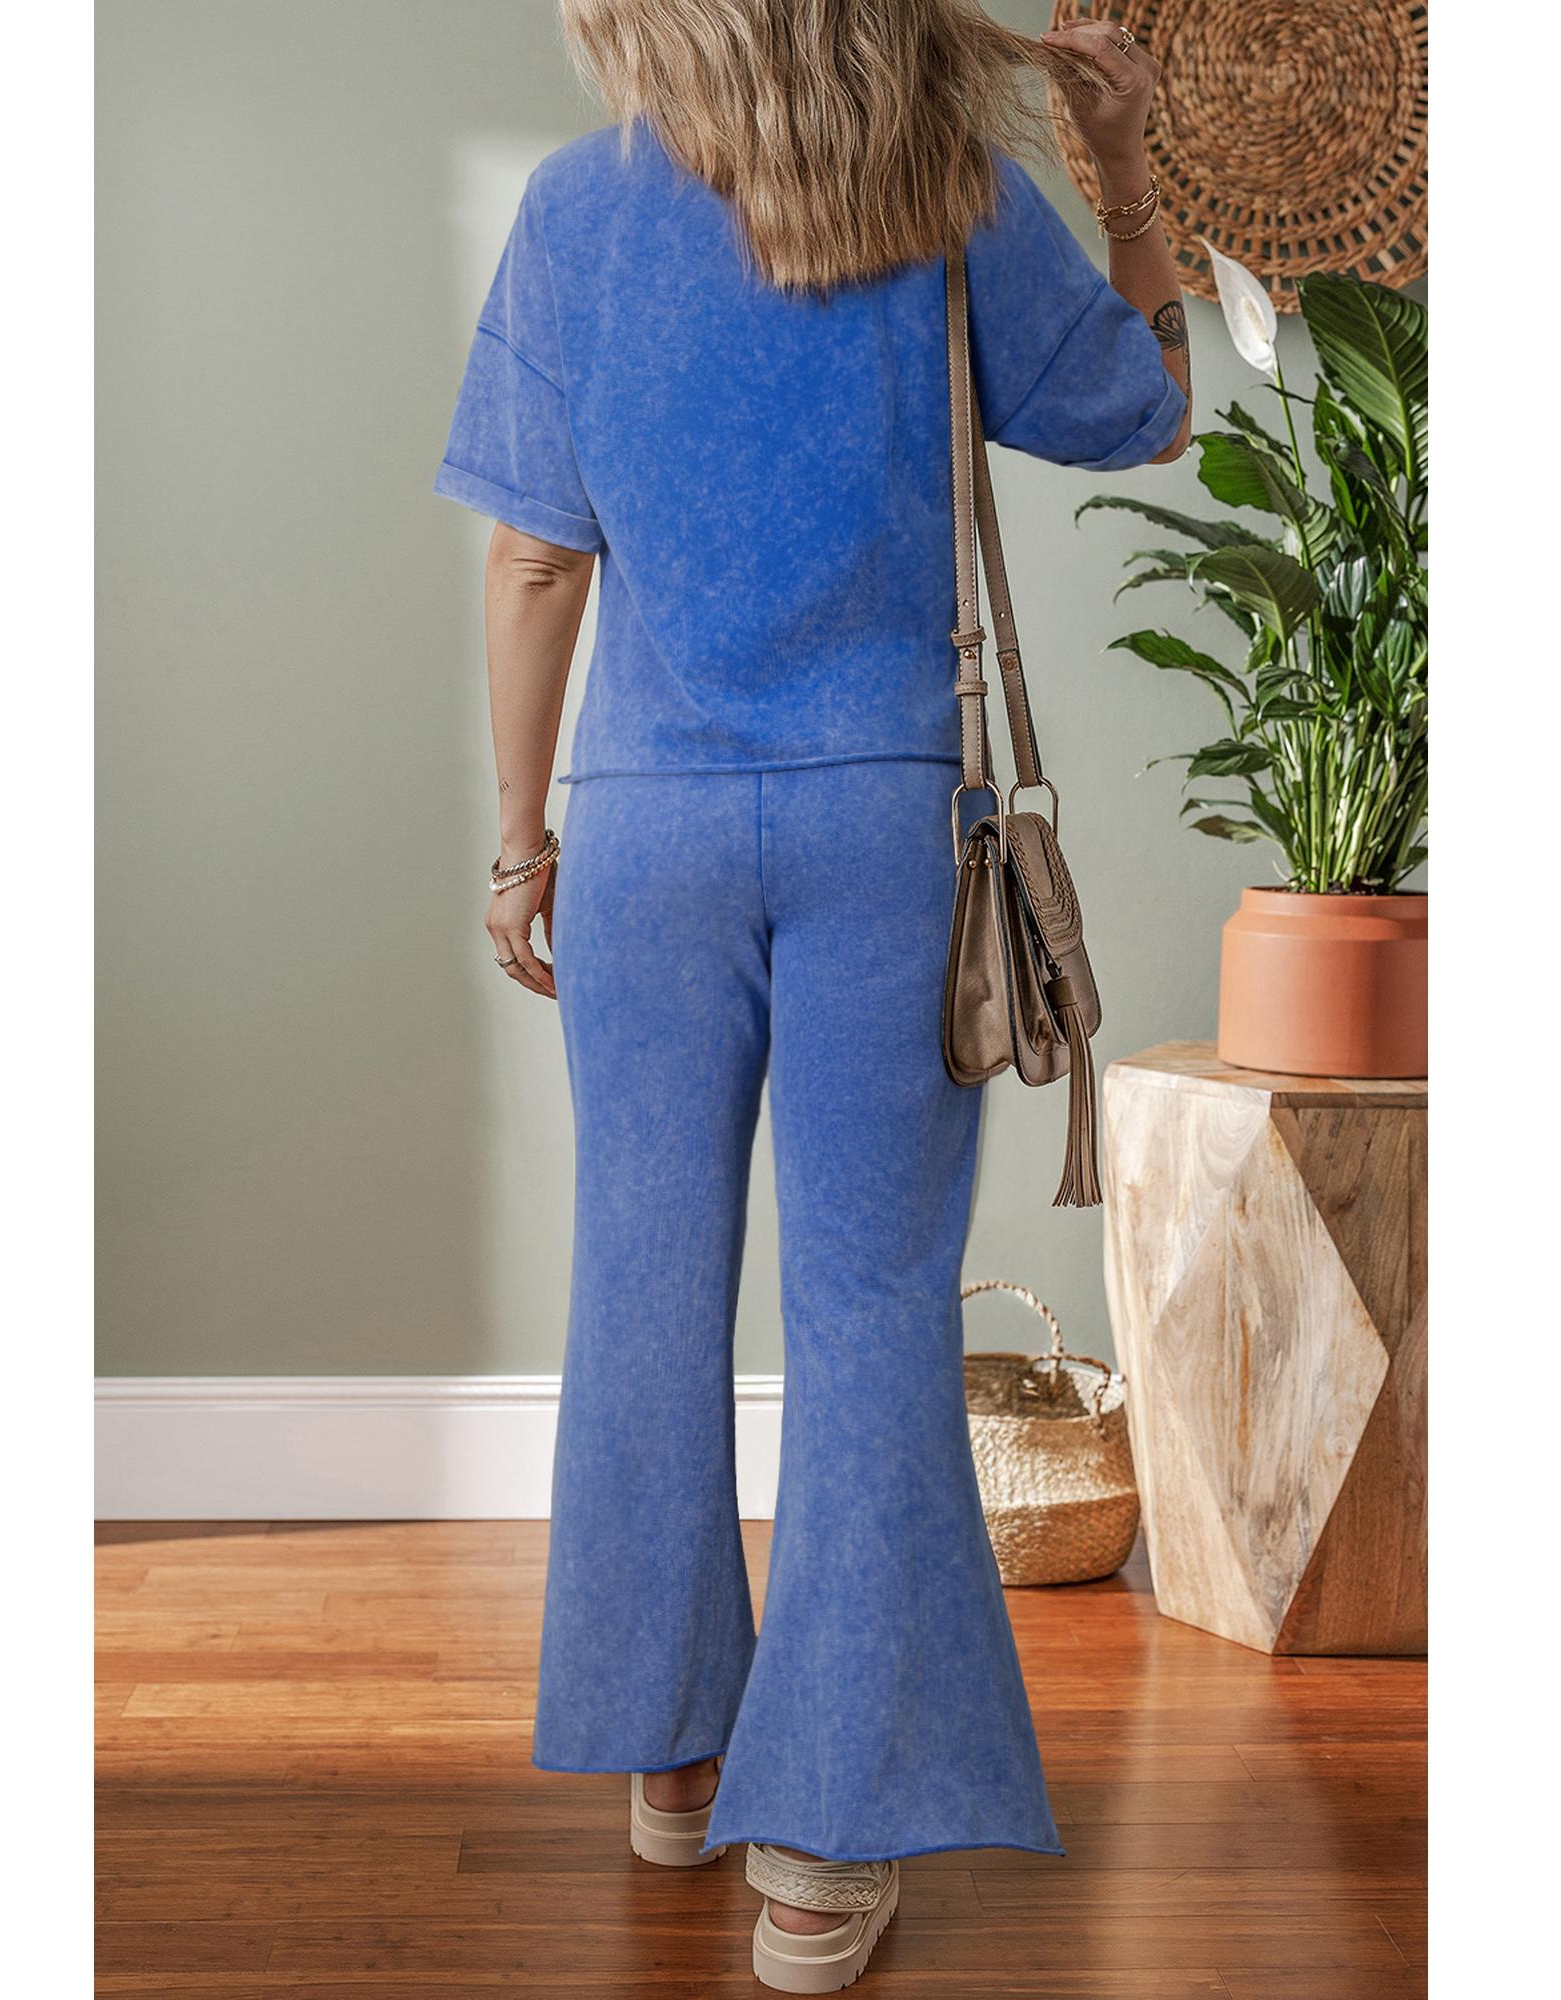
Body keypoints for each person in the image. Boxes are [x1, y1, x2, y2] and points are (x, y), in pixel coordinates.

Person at [434, 3, 1191, 1988]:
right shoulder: (955, 197)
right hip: (886, 830)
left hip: (648, 832)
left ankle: (673, 1753)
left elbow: (534, 561)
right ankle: (823, 1851)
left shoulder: (575, 211)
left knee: (640, 1281)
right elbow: (1143, 410)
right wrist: (1124, 178)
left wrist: (517, 843)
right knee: (866, 1316)